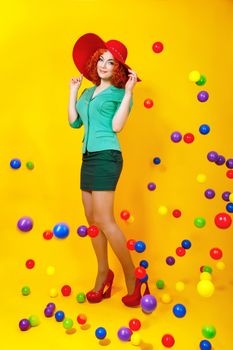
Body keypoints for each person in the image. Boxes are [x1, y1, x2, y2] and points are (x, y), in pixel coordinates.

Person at [68, 33, 150, 307]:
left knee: (105, 220)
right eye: (101, 59)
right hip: (88, 157)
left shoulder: (119, 93)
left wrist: (128, 93)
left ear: (119, 69)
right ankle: (104, 275)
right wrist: (72, 92)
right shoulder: (88, 92)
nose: (104, 65)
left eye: (111, 62)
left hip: (107, 156)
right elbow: (74, 123)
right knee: (92, 221)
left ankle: (134, 278)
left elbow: (116, 126)